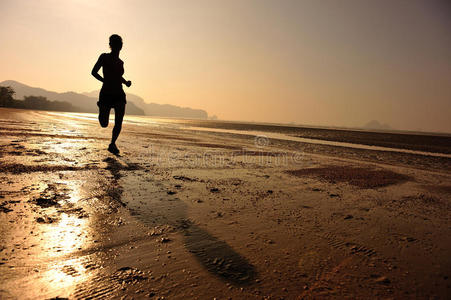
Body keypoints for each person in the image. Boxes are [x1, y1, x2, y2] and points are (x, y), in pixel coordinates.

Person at [91, 34, 131, 155]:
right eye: (114, 45)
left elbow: (118, 76)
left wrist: (125, 82)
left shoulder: (120, 62)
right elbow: (93, 72)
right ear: (110, 45)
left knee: (119, 121)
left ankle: (112, 144)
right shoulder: (104, 57)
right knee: (104, 124)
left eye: (119, 45)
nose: (117, 47)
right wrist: (104, 80)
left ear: (121, 47)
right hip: (106, 93)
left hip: (119, 93)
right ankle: (101, 107)